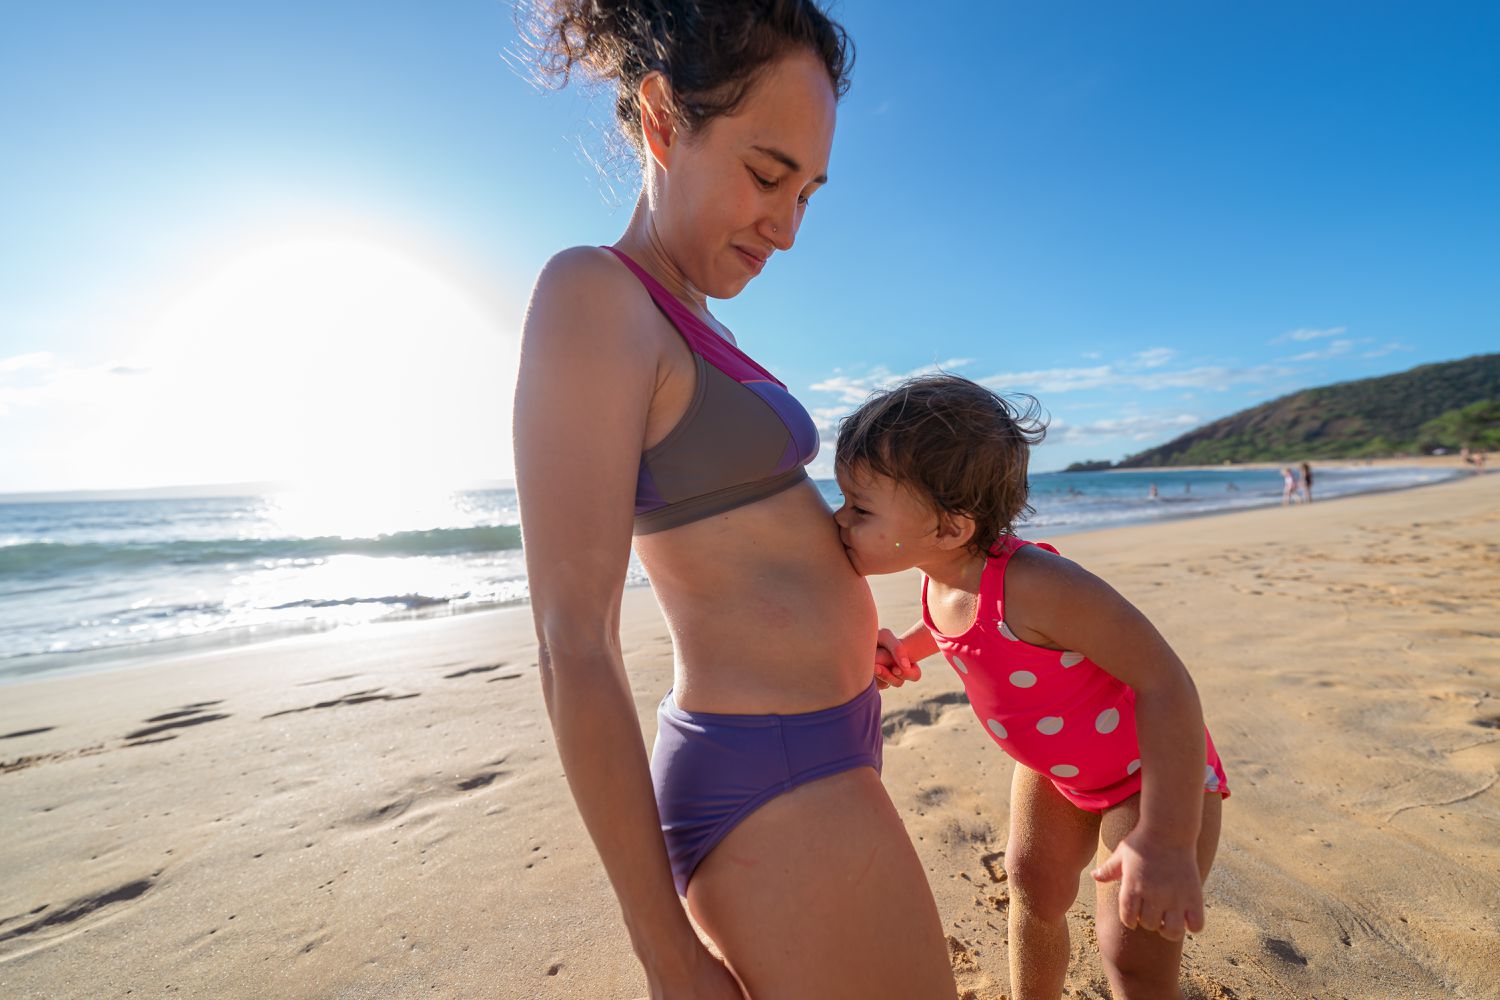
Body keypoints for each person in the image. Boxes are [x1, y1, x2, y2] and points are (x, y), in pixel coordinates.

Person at [512, 3, 957, 996]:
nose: (788, 229)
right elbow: (571, 642)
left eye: (807, 193)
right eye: (766, 176)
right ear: (664, 119)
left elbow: (740, 542)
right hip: (772, 770)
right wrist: (666, 955)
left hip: (828, 737)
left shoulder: (688, 312)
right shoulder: (595, 295)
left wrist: (849, 631)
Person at [832, 375, 1227, 1000]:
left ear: (949, 528)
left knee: (1131, 954)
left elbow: (1167, 682)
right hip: (1057, 769)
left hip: (1150, 775)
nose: (840, 518)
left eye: (859, 507)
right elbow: (959, 623)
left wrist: (1169, 838)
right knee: (1031, 886)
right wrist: (905, 649)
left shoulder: (1041, 584)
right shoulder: (943, 573)